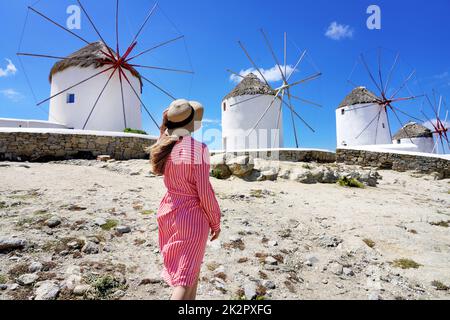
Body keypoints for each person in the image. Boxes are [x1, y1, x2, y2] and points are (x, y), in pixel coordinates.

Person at [150, 99, 221, 300]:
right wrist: (215, 221)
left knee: (190, 271)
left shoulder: (164, 146)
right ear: (192, 124)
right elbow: (204, 191)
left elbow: (163, 135)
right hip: (191, 216)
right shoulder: (199, 149)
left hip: (168, 211)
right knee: (184, 280)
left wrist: (165, 123)